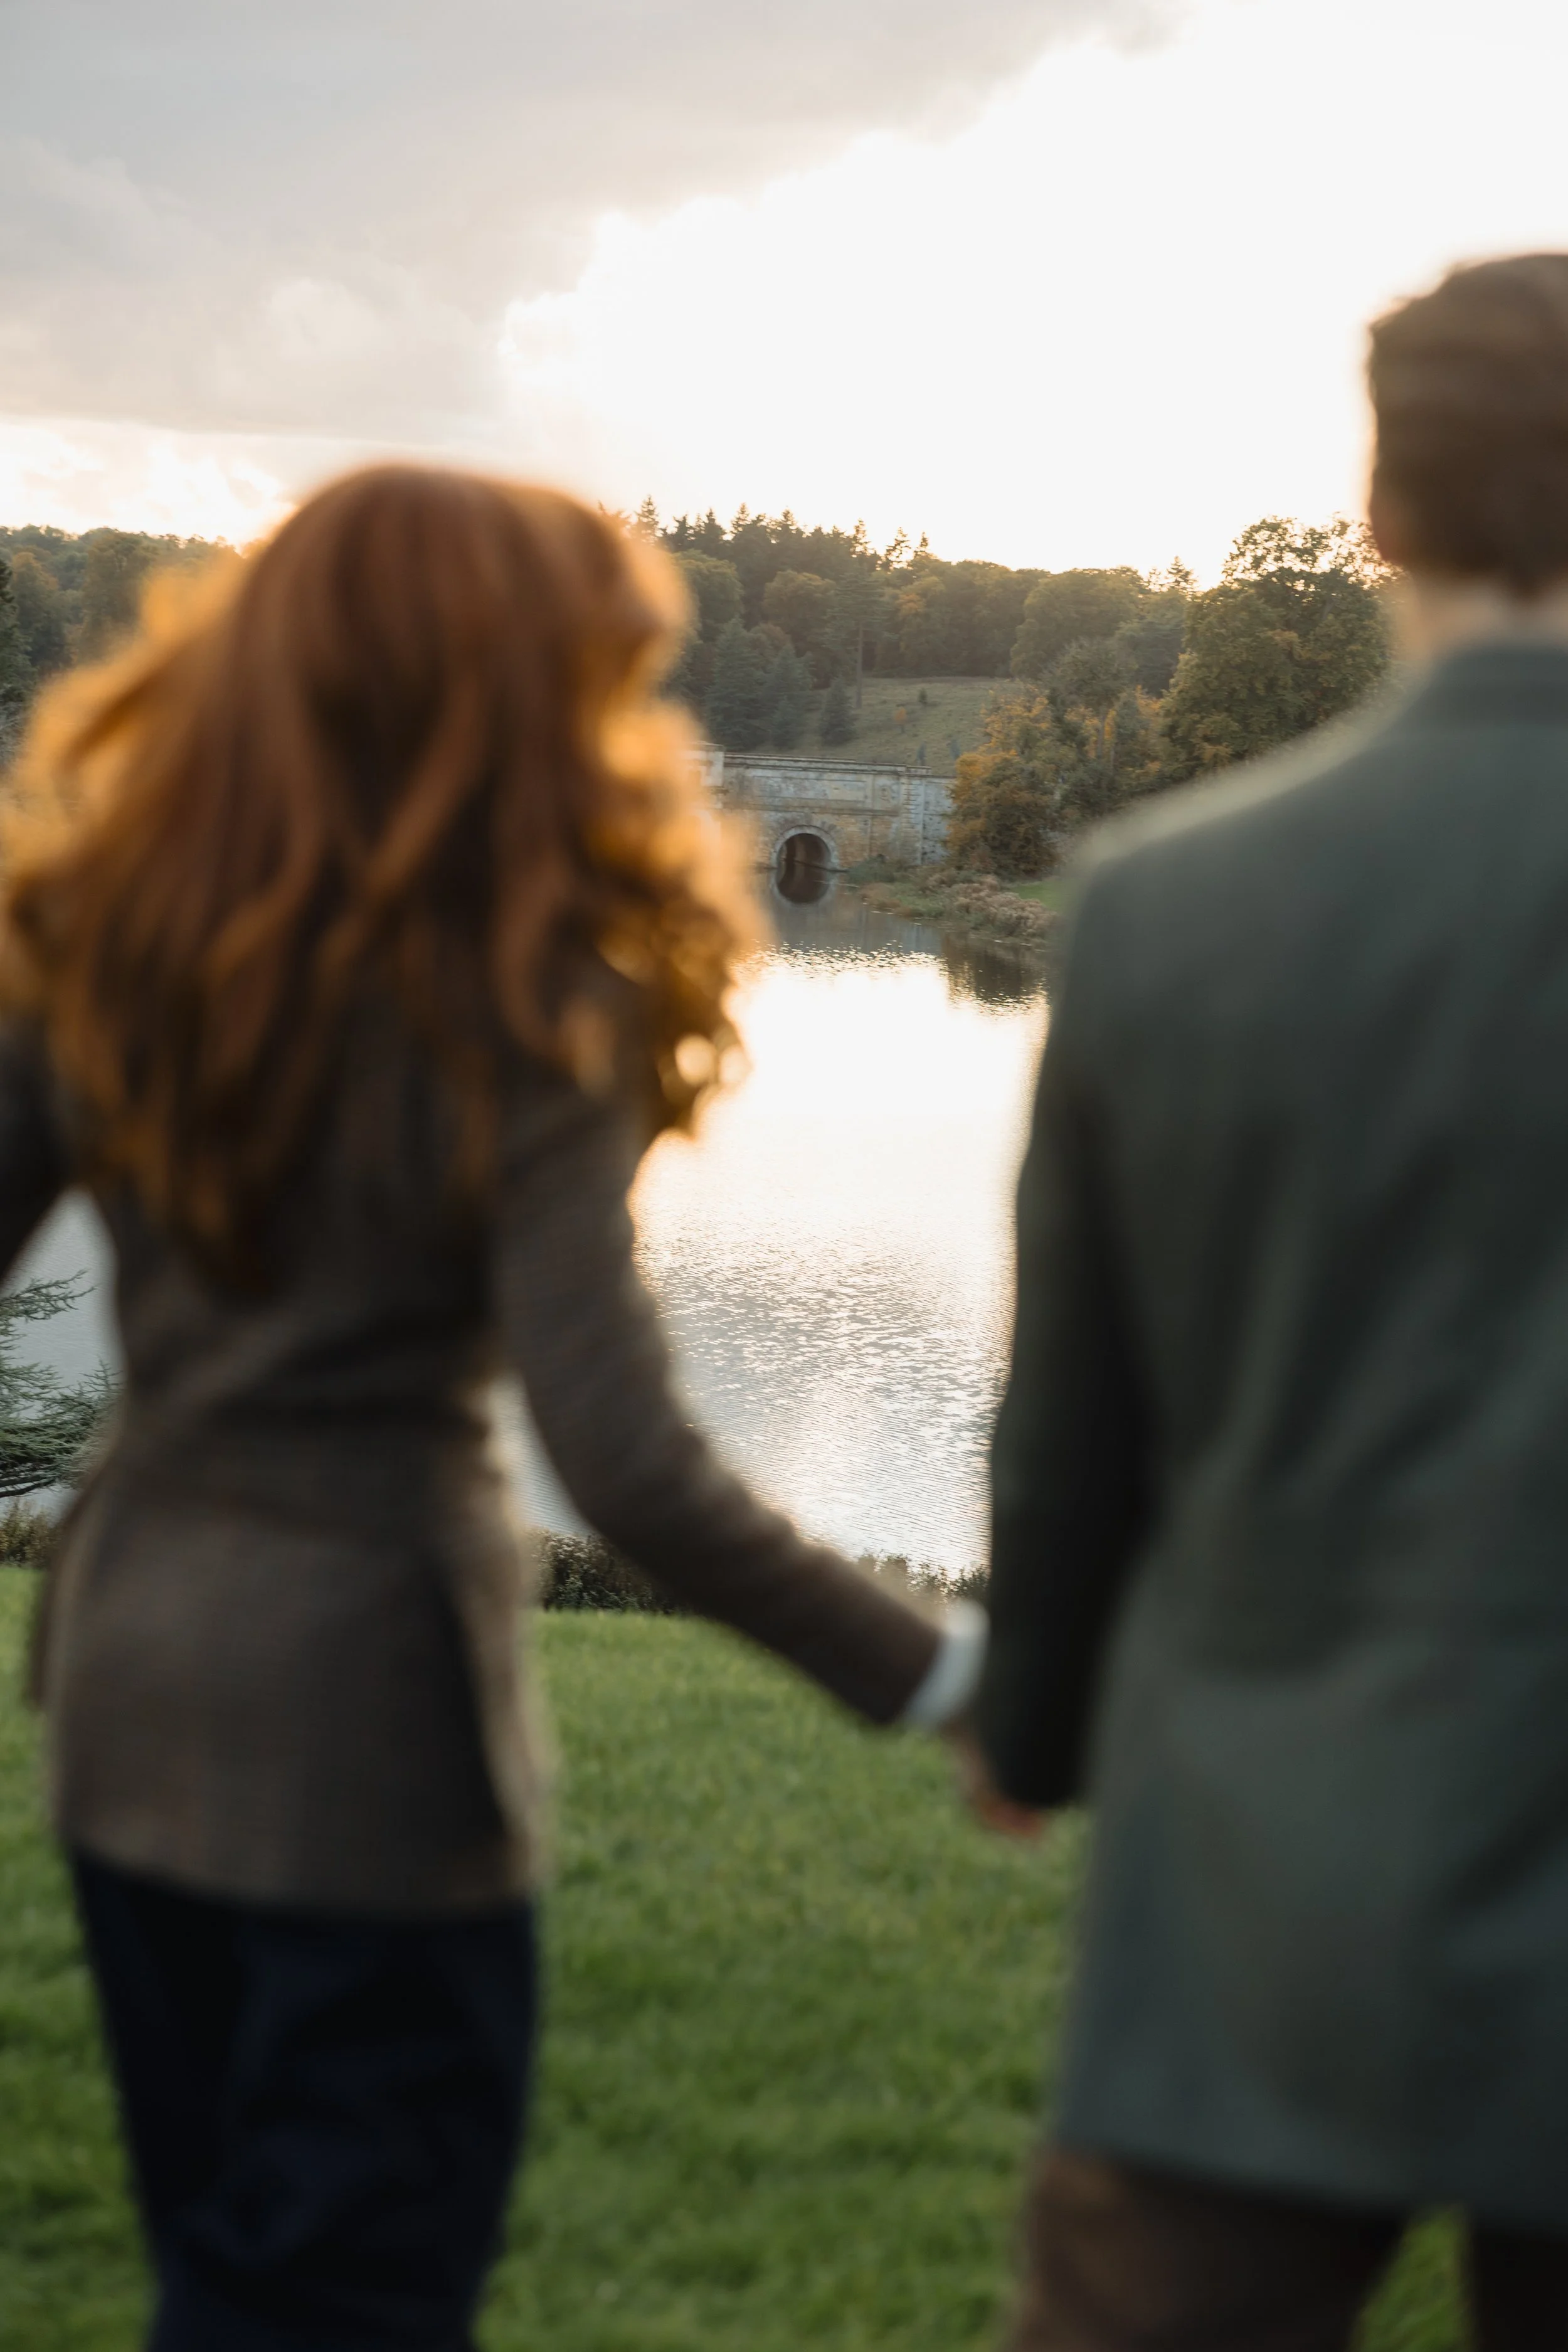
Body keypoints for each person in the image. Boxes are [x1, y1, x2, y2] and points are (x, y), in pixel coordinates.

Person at [0, 466, 976, 2351]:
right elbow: (625, 1464)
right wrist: (938, 1675)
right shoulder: (535, 1007)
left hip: (123, 1696)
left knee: (229, 2252)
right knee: (341, 2296)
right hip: (369, 1732)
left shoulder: (103, 953)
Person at [971, 253, 1568, 2348]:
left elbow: (1070, 1420)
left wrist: (1024, 1717)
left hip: (1266, 1856)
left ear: (1382, 516)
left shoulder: (1163, 904)